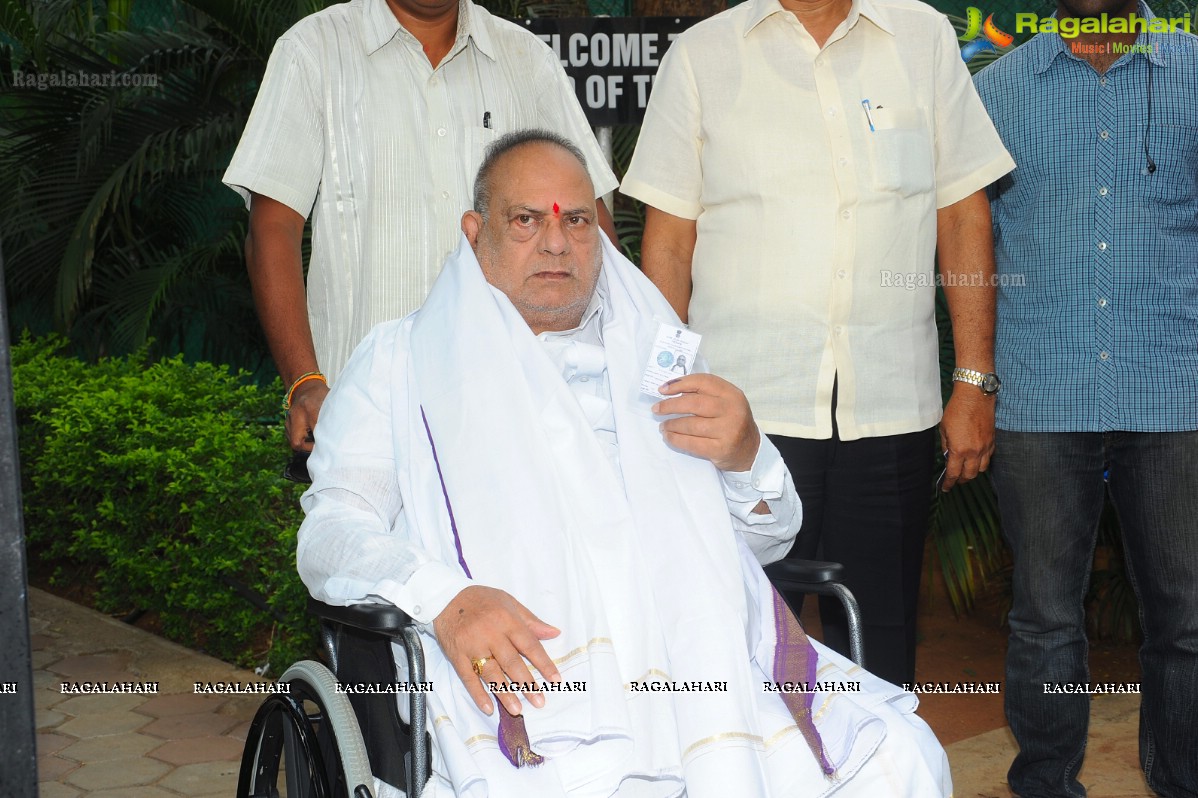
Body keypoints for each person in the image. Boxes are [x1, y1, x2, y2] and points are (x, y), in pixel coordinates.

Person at [296, 130, 951, 797]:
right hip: (539, 687)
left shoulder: (658, 359)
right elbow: (330, 535)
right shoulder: (401, 363)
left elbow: (768, 540)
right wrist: (448, 600)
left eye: (576, 220)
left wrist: (745, 454)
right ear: (474, 232)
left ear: (599, 234)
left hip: (707, 673)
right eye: (525, 219)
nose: (556, 242)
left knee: (901, 758)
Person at [620, 0, 1015, 686]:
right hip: (744, 420)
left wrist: (974, 380)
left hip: (892, 408)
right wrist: (665, 397)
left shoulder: (920, 38)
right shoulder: (703, 55)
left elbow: (961, 212)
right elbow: (670, 243)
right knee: (741, 644)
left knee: (880, 648)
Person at [222, 0, 619, 451]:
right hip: (367, 416)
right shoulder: (313, 50)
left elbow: (592, 227)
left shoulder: (526, 60)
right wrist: (305, 381)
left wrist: (624, 361)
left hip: (521, 416)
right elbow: (273, 230)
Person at [974, 2, 1198, 795]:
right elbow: (974, 241)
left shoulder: (1193, 77)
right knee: (1044, 622)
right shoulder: (998, 91)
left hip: (1177, 394)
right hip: (1040, 394)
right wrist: (975, 382)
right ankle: (1044, 783)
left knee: (1188, 622)